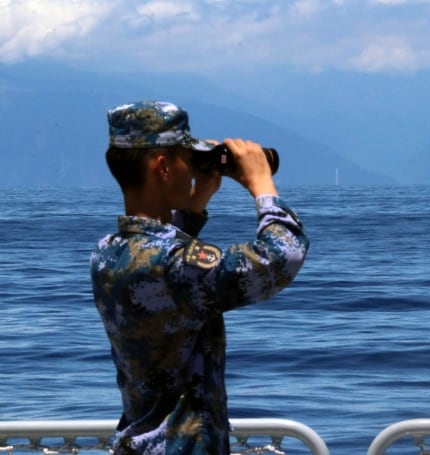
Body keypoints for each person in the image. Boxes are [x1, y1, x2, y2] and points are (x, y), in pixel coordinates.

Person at [90, 101, 309, 455]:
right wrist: (262, 185)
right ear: (162, 166)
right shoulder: (175, 265)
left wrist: (193, 207)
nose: (191, 169)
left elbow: (164, 273)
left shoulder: (106, 253)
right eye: (185, 159)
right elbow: (282, 257)